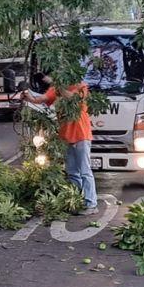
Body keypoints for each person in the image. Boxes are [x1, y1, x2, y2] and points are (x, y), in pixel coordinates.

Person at [22, 79, 98, 212]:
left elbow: (74, 99)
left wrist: (58, 86)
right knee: (72, 172)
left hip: (81, 136)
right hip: (66, 137)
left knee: (85, 171)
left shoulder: (81, 87)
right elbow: (42, 99)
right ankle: (77, 200)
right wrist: (29, 97)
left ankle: (91, 203)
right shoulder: (55, 89)